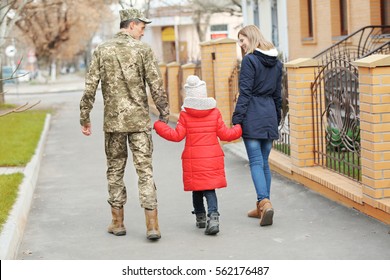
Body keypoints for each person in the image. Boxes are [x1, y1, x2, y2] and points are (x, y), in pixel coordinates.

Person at [79, 8, 169, 240]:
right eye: (142, 27)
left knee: (115, 171)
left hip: (113, 124)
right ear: (131, 25)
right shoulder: (143, 50)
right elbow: (155, 84)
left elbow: (90, 85)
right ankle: (152, 226)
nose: (143, 32)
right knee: (145, 172)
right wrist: (164, 112)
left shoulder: (102, 50)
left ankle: (117, 223)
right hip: (139, 122)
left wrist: (85, 116)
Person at [154, 75, 242, 235]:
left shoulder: (185, 115)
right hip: (212, 158)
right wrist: (239, 128)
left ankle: (200, 217)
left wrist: (159, 126)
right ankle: (213, 216)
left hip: (193, 159)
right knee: (210, 189)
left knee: (197, 189)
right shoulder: (214, 112)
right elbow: (225, 134)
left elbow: (177, 136)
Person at [232, 25, 282, 226]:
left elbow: (245, 92)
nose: (241, 45)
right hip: (269, 114)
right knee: (263, 162)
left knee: (254, 161)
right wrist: (276, 119)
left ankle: (264, 201)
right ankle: (263, 205)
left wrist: (237, 118)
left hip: (252, 113)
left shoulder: (250, 61)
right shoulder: (277, 63)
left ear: (251, 38)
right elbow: (278, 95)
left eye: (242, 40)